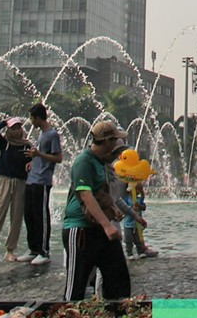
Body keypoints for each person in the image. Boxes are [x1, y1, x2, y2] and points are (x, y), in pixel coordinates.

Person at [62, 121, 131, 301]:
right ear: (108, 141)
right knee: (77, 285)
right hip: (81, 230)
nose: (118, 150)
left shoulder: (101, 163)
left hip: (100, 229)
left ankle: (116, 308)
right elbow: (85, 195)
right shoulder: (84, 161)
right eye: (116, 141)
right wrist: (107, 225)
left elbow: (100, 193)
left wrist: (113, 209)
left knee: (118, 276)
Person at [17, 103, 62, 265]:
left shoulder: (52, 134)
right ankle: (33, 249)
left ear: (37, 117)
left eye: (31, 117)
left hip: (42, 181)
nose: (30, 121)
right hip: (32, 179)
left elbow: (58, 158)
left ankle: (44, 251)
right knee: (29, 214)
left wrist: (38, 154)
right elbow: (40, 155)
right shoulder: (42, 134)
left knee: (41, 216)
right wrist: (33, 160)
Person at [0, 117, 31, 261]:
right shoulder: (5, 143)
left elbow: (30, 161)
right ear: (8, 129)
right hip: (5, 181)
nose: (16, 131)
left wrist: (31, 163)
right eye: (13, 128)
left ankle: (10, 250)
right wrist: (5, 121)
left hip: (20, 182)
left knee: (16, 216)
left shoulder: (26, 145)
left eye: (18, 128)